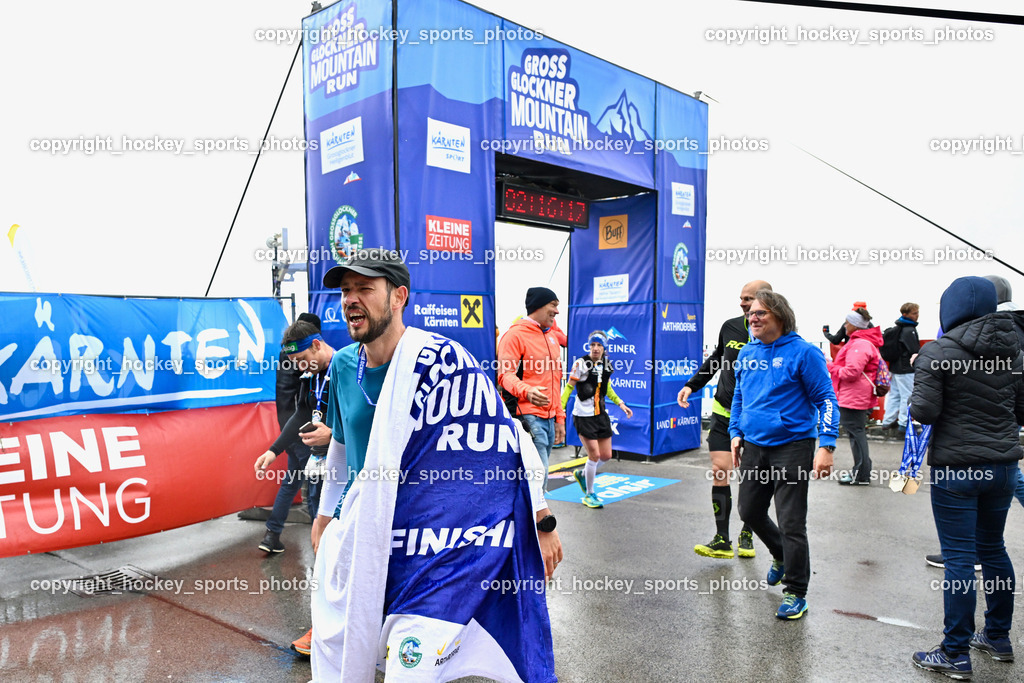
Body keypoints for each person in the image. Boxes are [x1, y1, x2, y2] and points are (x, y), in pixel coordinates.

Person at [311, 248, 561, 682]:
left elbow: (504, 435)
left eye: (364, 288)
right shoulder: (343, 367)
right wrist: (323, 515)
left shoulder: (439, 361)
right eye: (345, 290)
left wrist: (542, 519)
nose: (350, 299)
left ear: (397, 297)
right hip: (363, 537)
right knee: (352, 652)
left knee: (411, 667)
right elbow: (338, 444)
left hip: (429, 542)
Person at [909, 276, 1024, 679]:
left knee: (958, 558)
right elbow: (1021, 412)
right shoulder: (1015, 352)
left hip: (957, 468)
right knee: (994, 550)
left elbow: (923, 412)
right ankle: (998, 637)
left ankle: (955, 651)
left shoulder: (938, 351)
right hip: (1004, 467)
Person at [730, 289, 838, 620]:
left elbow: (827, 400)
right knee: (748, 510)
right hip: (754, 446)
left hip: (794, 446)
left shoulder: (804, 353)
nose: (753, 318)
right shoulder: (746, 353)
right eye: (751, 314)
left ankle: (796, 591)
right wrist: (735, 432)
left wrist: (827, 445)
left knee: (791, 521)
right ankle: (780, 554)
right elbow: (739, 396)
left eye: (761, 313)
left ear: (780, 315)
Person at [677, 280, 771, 559]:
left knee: (753, 480)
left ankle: (748, 531)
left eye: (749, 299)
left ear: (765, 301)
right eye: (741, 298)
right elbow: (717, 358)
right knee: (721, 471)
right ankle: (722, 539)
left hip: (754, 419)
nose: (743, 303)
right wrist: (691, 385)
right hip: (722, 413)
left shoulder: (776, 332)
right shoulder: (729, 326)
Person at [254, 317, 334, 555]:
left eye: (301, 361)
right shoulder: (310, 373)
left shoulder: (345, 366)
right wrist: (273, 450)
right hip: (317, 453)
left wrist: (333, 434)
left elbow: (366, 418)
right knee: (315, 509)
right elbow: (301, 412)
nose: (299, 368)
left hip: (344, 466)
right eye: (293, 363)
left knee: (322, 513)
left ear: (317, 345)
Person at [497, 287, 566, 490]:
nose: (557, 311)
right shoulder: (515, 335)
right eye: (553, 305)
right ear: (539, 306)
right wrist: (526, 390)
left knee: (536, 479)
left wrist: (559, 418)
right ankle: (535, 521)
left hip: (549, 419)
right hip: (528, 417)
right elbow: (504, 374)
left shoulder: (552, 337)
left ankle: (531, 520)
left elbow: (556, 380)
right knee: (538, 478)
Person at [561, 330, 633, 508]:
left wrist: (620, 403)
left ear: (604, 348)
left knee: (606, 455)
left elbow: (607, 389)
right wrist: (559, 409)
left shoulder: (607, 365)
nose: (595, 348)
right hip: (583, 416)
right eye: (592, 345)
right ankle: (589, 494)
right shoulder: (580, 364)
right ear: (589, 346)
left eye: (599, 345)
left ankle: (583, 474)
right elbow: (569, 388)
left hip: (600, 414)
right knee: (594, 455)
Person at [827, 307, 882, 486]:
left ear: (855, 325)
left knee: (856, 434)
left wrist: (829, 365)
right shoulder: (863, 342)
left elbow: (851, 373)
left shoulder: (859, 345)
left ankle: (861, 473)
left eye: (847, 322)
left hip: (854, 396)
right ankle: (862, 471)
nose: (844, 325)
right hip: (858, 395)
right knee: (856, 433)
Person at [880, 303, 921, 437]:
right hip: (906, 369)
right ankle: (904, 424)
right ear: (905, 314)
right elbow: (914, 350)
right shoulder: (909, 330)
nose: (917, 315)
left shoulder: (897, 328)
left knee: (894, 395)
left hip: (895, 367)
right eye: (914, 313)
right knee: (907, 396)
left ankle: (887, 421)